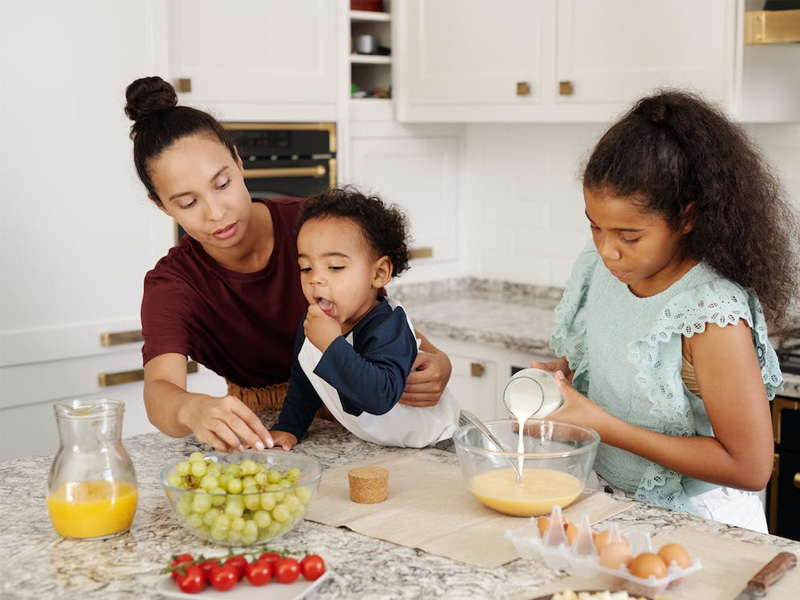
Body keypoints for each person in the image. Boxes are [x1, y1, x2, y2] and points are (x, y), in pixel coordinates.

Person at [124, 76, 453, 454]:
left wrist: (438, 359)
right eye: (187, 203)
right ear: (161, 205)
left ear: (237, 160)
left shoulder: (310, 226)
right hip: (271, 428)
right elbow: (159, 394)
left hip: (361, 414)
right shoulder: (174, 284)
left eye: (222, 183)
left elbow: (375, 314)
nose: (217, 212)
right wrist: (191, 407)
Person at [533, 89, 799, 532]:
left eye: (628, 236)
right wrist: (563, 381)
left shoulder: (709, 312)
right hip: (611, 501)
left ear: (688, 217)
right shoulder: (604, 270)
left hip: (699, 524)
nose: (607, 250)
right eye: (595, 226)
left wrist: (602, 424)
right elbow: (611, 363)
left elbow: (750, 467)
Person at [269, 188, 461, 450]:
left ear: (379, 273)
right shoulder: (314, 325)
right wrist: (288, 427)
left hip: (438, 443)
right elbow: (306, 379)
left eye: (335, 266)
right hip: (381, 446)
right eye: (306, 268)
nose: (315, 278)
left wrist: (331, 345)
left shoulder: (390, 327)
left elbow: (379, 397)